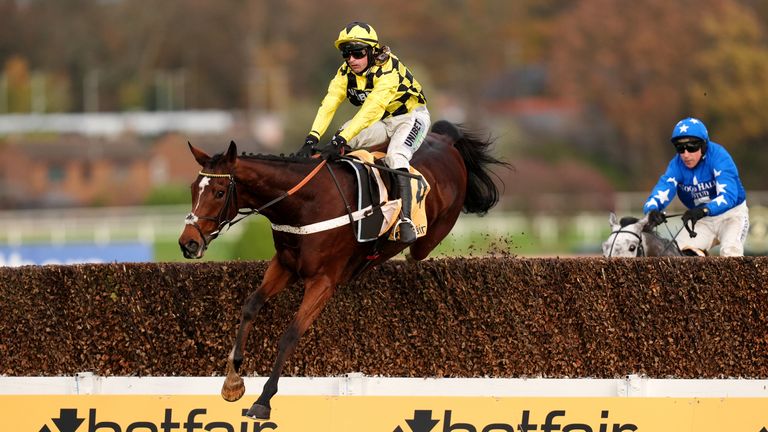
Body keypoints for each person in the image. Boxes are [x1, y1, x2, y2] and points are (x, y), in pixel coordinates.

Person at [297, 21, 430, 244]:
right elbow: (329, 104)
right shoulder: (344, 73)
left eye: (357, 53)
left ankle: (406, 220)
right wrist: (312, 138)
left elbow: (370, 111)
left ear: (371, 51)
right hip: (384, 121)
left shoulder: (388, 69)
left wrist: (340, 139)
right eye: (346, 54)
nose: (351, 60)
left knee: (396, 156)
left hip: (411, 117)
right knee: (341, 136)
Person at [643, 117, 749, 256]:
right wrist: (652, 211)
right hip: (701, 220)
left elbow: (729, 196)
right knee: (677, 256)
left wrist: (704, 210)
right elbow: (662, 190)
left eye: (691, 147)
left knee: (730, 253)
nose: (686, 155)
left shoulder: (720, 157)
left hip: (731, 215)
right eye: (680, 148)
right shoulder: (676, 165)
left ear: (703, 146)